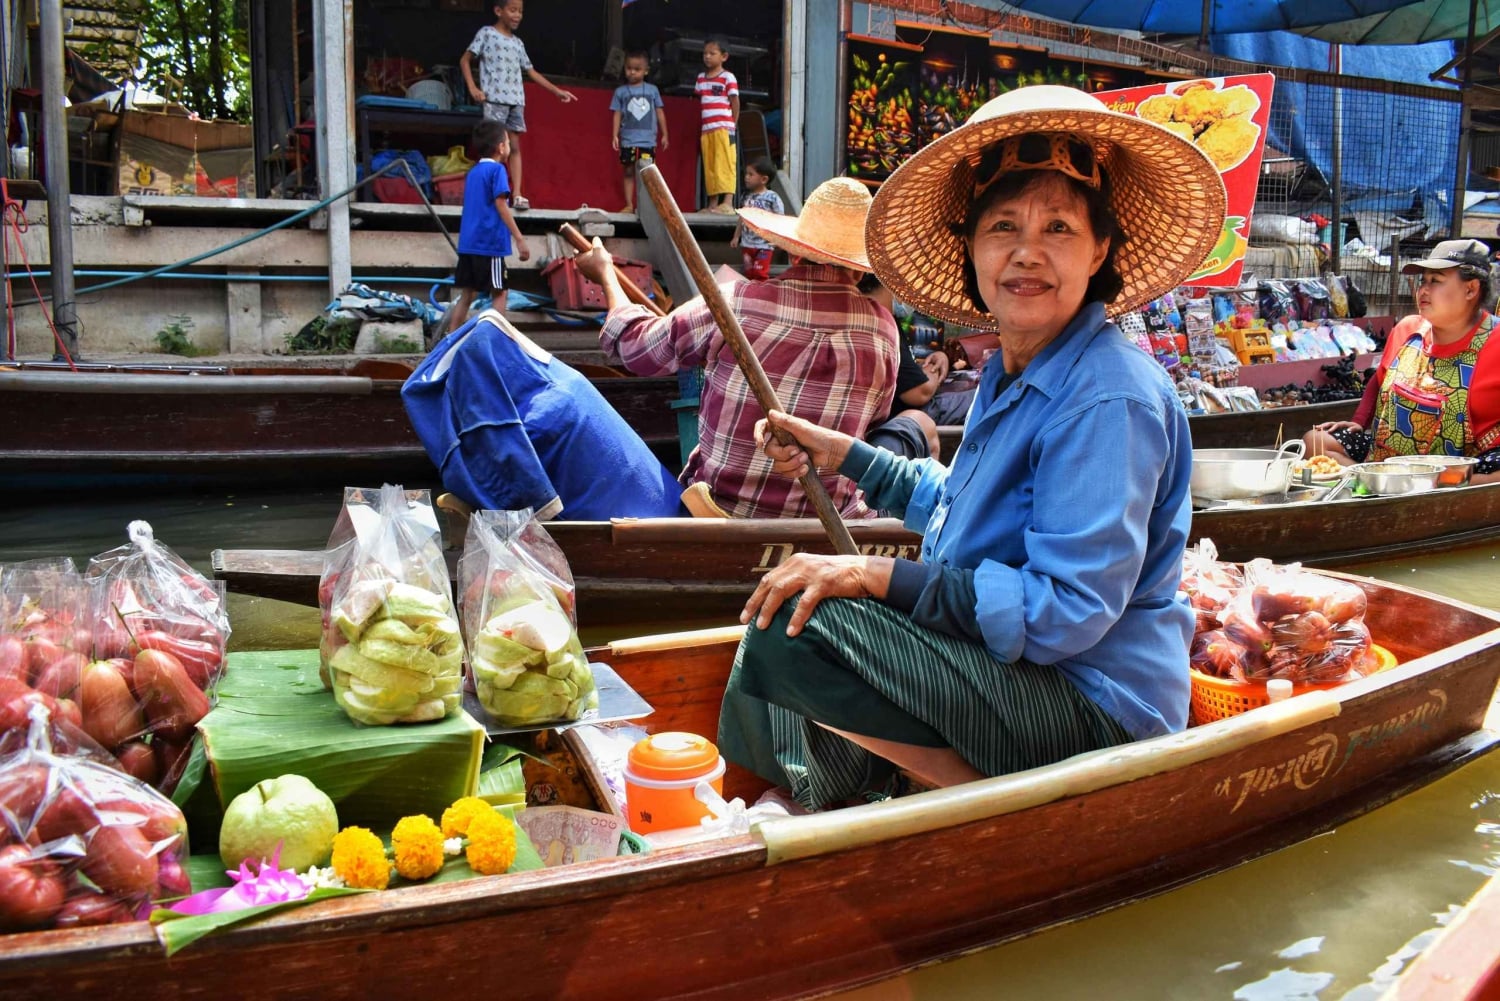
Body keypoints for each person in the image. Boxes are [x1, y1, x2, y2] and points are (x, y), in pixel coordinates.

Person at [715, 85, 1229, 810]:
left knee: (808, 626)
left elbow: (1063, 612)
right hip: (1015, 671)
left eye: (1059, 229)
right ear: (971, 247)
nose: (1027, 254)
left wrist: (874, 576)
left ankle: (943, 792)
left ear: (1100, 251)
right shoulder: (1014, 366)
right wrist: (845, 454)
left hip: (1096, 705)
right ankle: (831, 790)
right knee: (792, 605)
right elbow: (957, 507)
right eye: (1002, 228)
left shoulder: (1109, 396)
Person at [572, 176, 900, 519]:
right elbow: (875, 420)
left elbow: (635, 348)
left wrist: (606, 274)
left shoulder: (736, 303)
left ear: (793, 251)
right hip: (826, 523)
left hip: (722, 513)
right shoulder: (883, 331)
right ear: (861, 272)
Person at [402, 310, 683, 521]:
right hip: (675, 514)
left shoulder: (532, 426)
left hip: (634, 540)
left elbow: (519, 503)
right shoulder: (565, 383)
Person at [1303, 238, 1500, 483]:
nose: (1423, 290)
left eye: (1436, 281)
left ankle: (1426, 487)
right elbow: (1379, 379)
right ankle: (1378, 483)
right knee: (1317, 441)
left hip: (1460, 473)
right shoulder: (1408, 330)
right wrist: (1359, 421)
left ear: (1470, 289)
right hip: (1388, 461)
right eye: (1423, 281)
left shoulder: (1495, 343)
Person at [460, 0, 577, 212]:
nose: (517, 15)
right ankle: (490, 193)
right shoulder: (486, 34)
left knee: (514, 147)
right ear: (498, 11)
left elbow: (531, 72)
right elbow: (465, 60)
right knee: (493, 148)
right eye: (512, 10)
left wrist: (556, 91)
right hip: (495, 99)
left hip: (516, 101)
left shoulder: (518, 43)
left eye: (520, 11)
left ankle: (517, 195)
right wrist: (473, 88)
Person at [447, 120, 529, 336]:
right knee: (500, 292)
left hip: (469, 244)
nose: (510, 147)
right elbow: (501, 204)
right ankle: (495, 338)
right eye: (508, 142)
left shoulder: (473, 172)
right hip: (489, 245)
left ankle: (450, 338)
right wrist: (519, 238)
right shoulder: (498, 170)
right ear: (501, 147)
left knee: (467, 295)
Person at [859, 272, 942, 460]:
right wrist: (936, 370)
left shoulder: (871, 317)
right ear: (892, 284)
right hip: (880, 437)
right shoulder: (880, 322)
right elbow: (919, 393)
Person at [610, 51, 668, 215]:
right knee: (628, 172)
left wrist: (665, 134)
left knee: (647, 174)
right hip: (627, 140)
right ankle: (629, 204)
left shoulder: (652, 90)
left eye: (637, 69)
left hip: (648, 141)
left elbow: (660, 112)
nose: (632, 72)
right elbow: (617, 114)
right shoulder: (620, 92)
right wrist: (614, 135)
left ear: (646, 70)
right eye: (629, 68)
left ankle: (646, 207)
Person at [696, 37, 739, 214]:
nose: (707, 57)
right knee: (711, 165)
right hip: (707, 129)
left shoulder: (728, 77)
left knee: (726, 163)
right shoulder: (700, 78)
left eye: (712, 53)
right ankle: (713, 204)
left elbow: (735, 101)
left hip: (724, 127)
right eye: (705, 53)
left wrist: (733, 124)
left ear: (724, 56)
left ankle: (727, 202)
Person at [730, 157, 783, 279]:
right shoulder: (746, 197)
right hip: (747, 244)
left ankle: (761, 293)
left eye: (751, 174)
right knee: (749, 273)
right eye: (746, 174)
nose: (746, 177)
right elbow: (742, 217)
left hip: (764, 245)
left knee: (760, 273)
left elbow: (780, 219)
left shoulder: (772, 198)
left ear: (764, 179)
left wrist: (778, 239)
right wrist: (736, 236)